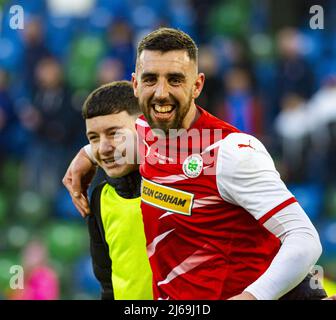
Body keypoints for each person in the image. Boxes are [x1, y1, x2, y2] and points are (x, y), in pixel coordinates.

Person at [63, 28, 326, 300]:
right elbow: (113, 144)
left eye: (175, 80)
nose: (161, 93)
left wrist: (251, 298)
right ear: (135, 84)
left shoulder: (229, 151)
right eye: (150, 79)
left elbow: (304, 239)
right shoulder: (146, 132)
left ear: (197, 85)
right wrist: (85, 156)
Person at [80, 81, 152, 300]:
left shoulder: (179, 182)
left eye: (114, 133)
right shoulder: (100, 198)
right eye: (93, 138)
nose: (103, 148)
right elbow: (107, 284)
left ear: (145, 128)